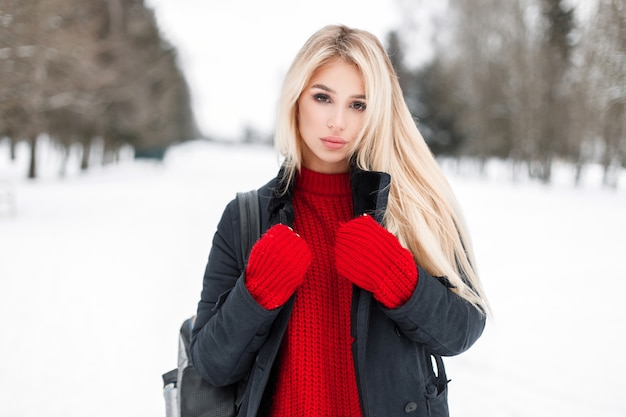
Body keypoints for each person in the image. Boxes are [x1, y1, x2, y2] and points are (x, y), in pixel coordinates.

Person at [190, 24, 489, 417]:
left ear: (378, 111)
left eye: (358, 104)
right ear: (297, 100)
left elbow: (461, 330)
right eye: (322, 98)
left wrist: (399, 279)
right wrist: (256, 293)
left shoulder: (415, 206)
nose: (337, 122)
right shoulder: (246, 217)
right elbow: (210, 365)